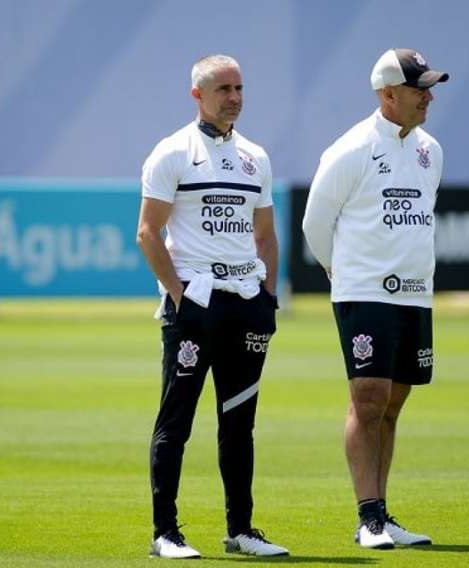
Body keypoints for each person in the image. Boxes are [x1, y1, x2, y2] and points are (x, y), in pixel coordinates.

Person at [136, 54, 288, 559]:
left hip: (246, 304)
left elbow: (265, 235)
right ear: (197, 94)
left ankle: (241, 530)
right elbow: (147, 233)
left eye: (240, 88)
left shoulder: (255, 157)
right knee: (175, 422)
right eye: (224, 88)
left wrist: (268, 297)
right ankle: (166, 533)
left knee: (239, 424)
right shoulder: (172, 152)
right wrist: (181, 298)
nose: (235, 98)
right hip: (195, 308)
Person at [302, 48, 448, 549]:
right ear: (388, 95)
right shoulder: (351, 149)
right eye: (418, 89)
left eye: (429, 88)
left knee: (393, 402)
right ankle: (367, 519)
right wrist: (341, 274)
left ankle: (384, 514)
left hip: (415, 294)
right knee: (368, 399)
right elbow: (315, 225)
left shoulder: (431, 149)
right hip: (364, 292)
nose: (429, 97)